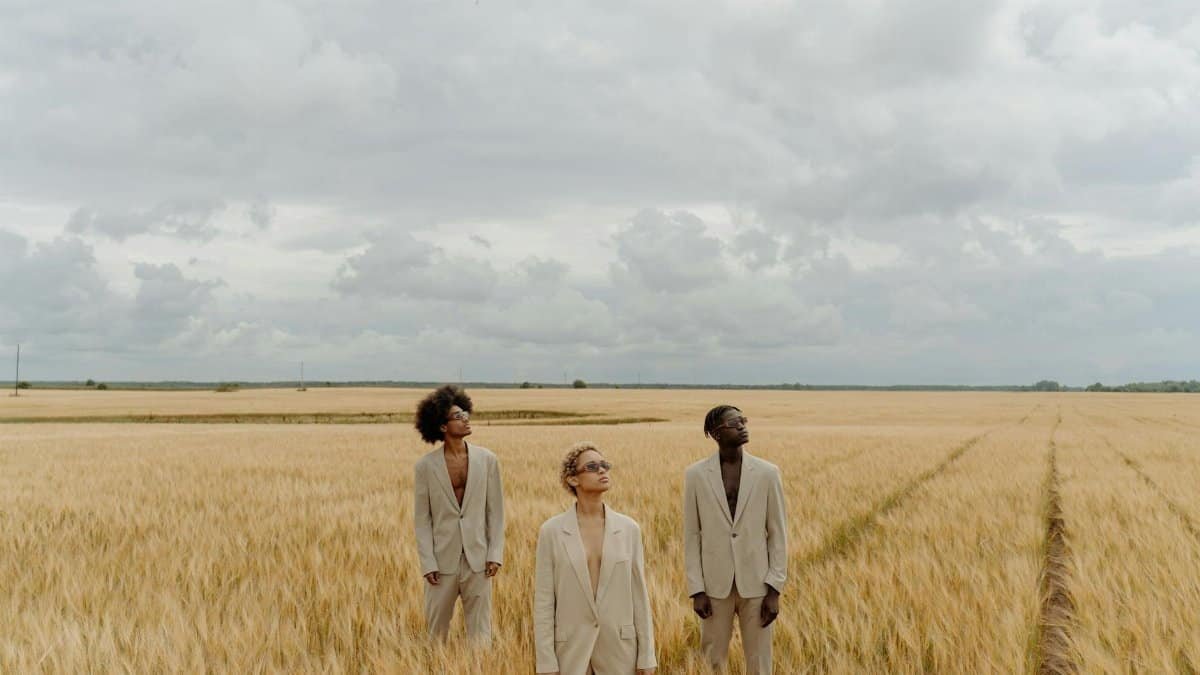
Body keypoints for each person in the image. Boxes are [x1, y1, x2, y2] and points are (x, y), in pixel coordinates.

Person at [534, 442, 657, 675]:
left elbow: (640, 596)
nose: (602, 470)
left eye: (604, 465)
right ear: (572, 480)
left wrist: (647, 655)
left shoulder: (629, 529)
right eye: (592, 466)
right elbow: (543, 602)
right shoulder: (551, 531)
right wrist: (546, 662)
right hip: (570, 653)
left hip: (620, 652)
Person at [683, 405, 787, 674]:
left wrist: (774, 588)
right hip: (714, 586)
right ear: (716, 433)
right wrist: (696, 589)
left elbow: (777, 534)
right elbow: (692, 536)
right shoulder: (695, 475)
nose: (743, 425)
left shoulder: (767, 473)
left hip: (757, 585)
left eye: (744, 420)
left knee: (760, 663)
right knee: (712, 661)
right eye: (734, 422)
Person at [412, 385, 505, 644]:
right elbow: (422, 520)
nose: (465, 420)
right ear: (442, 426)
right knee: (435, 635)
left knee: (481, 635)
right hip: (442, 563)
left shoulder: (488, 460)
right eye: (458, 416)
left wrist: (495, 553)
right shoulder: (425, 466)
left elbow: (495, 512)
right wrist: (428, 562)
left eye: (466, 414)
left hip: (479, 559)